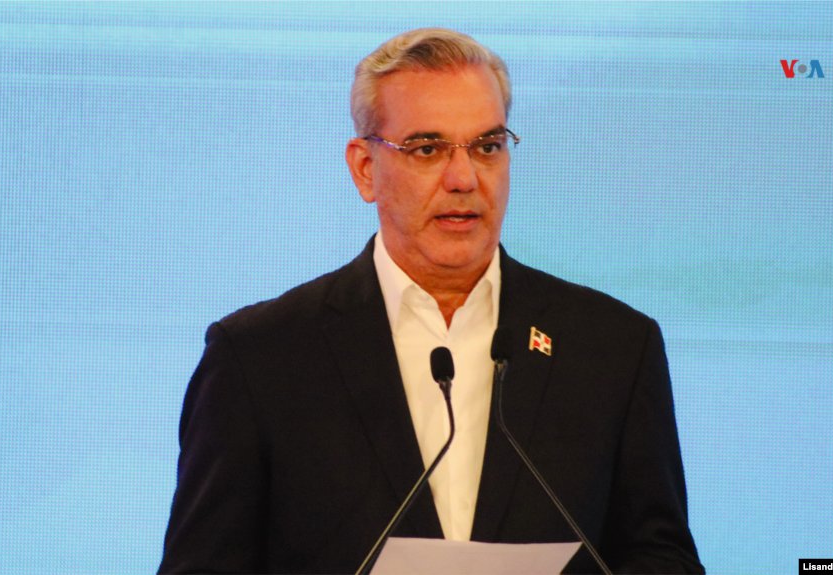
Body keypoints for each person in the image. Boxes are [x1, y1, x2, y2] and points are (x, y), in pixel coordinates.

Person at [158, 28, 705, 575]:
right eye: (427, 149)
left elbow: (662, 558)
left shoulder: (613, 348)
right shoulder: (260, 357)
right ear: (365, 169)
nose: (464, 178)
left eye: (487, 147)